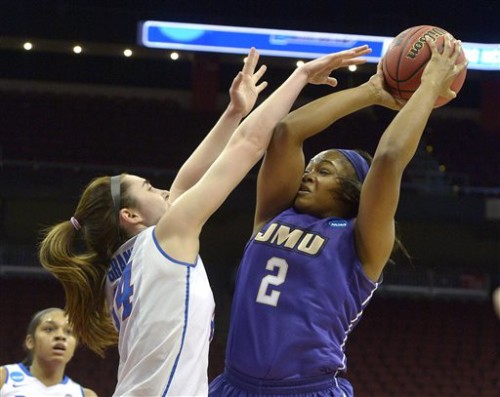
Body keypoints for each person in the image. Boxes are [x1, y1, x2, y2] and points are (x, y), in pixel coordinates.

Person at [38, 45, 372, 397]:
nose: (166, 192)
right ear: (130, 215)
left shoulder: (121, 269)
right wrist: (301, 75)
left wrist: (234, 111)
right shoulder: (164, 238)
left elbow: (185, 180)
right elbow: (250, 142)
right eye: (150, 188)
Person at [209, 35, 467, 396]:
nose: (308, 175)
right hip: (233, 386)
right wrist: (371, 91)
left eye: (325, 171)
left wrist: (427, 87)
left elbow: (389, 158)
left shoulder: (361, 241)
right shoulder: (273, 214)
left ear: (352, 191)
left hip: (307, 389)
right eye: (311, 168)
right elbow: (286, 132)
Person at [0, 307, 98, 397]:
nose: (61, 336)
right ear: (30, 342)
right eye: (49, 329)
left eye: (68, 332)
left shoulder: (85, 395)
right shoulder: (3, 378)